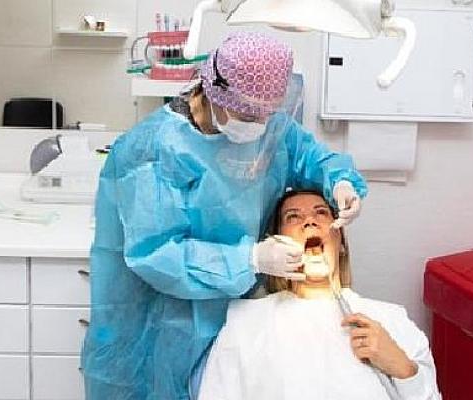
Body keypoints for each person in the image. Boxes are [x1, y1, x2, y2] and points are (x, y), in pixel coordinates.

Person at [81, 31, 368, 400]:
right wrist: (250, 259)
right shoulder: (152, 151)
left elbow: (309, 156)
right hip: (159, 327)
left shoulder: (269, 127)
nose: (259, 126)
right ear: (214, 92)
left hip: (238, 313)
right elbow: (155, 254)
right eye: (248, 115)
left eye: (267, 114)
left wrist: (340, 181)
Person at [197, 190, 440, 400]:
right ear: (276, 244)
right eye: (293, 216)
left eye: (321, 213)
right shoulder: (246, 324)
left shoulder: (392, 320)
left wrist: (403, 369)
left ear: (341, 242)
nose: (310, 221)